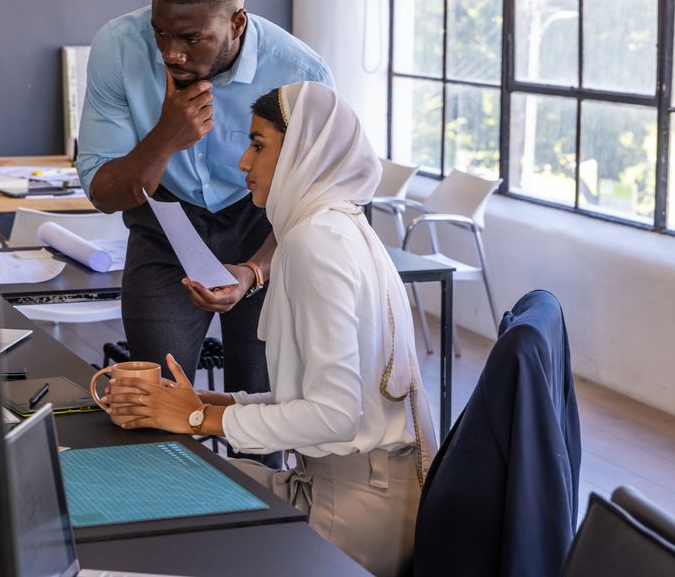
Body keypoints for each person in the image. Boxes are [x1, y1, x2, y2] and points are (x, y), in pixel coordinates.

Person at [103, 82, 437, 577]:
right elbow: (325, 402)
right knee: (172, 483)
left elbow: (335, 416)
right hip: (363, 491)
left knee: (157, 493)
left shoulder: (314, 244)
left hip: (350, 516)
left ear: (304, 151)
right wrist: (203, 403)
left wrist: (199, 422)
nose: (243, 163)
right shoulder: (338, 226)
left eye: (258, 145)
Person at [76, 0, 334, 460]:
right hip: (163, 222)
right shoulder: (117, 47)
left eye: (191, 38)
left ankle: (254, 528)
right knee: (153, 403)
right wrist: (164, 139)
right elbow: (103, 193)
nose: (171, 53)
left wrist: (255, 272)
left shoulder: (300, 71)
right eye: (161, 33)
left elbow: (315, 201)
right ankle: (165, 520)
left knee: (262, 412)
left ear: (237, 22)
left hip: (264, 226)